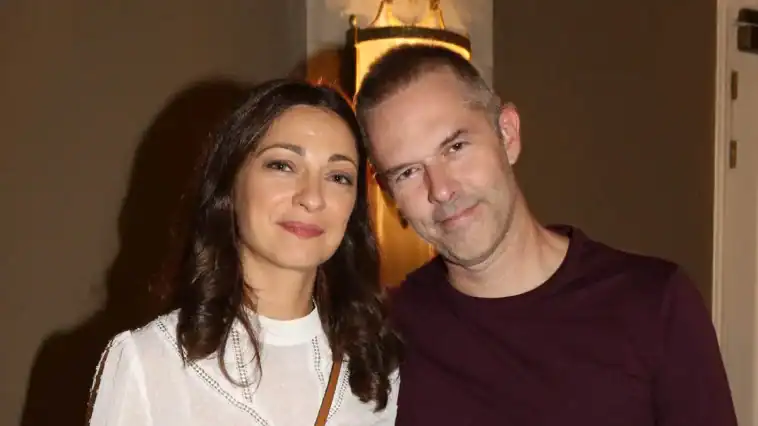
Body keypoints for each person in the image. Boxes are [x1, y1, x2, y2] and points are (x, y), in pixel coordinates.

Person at [354, 45, 737, 425]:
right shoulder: (390, 333)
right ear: (389, 196)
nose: (440, 189)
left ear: (507, 135)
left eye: (455, 147)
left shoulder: (654, 303)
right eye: (408, 172)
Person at [88, 79, 400, 425]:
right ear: (230, 182)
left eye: (339, 177)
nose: (312, 198)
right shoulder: (149, 362)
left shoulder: (378, 371)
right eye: (282, 165)